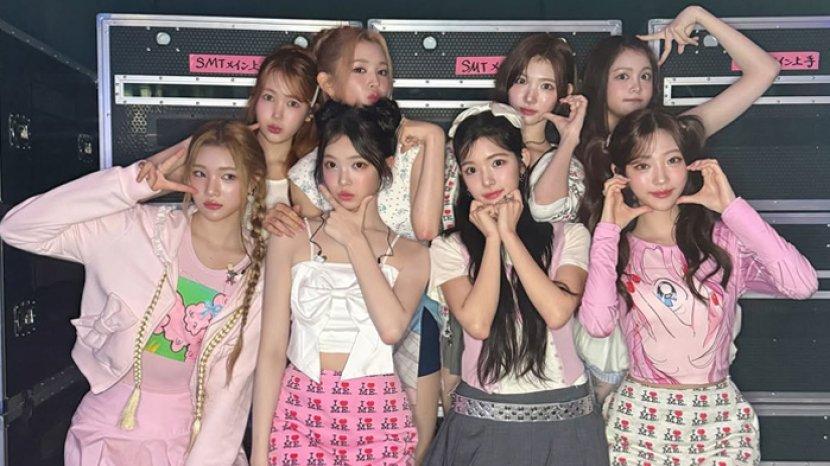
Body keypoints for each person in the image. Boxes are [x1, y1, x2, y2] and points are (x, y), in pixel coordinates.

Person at [0, 120, 269, 465]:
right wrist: (132, 184)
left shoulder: (258, 273)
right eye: (200, 173)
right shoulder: (140, 230)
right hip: (108, 429)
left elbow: (233, 390)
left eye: (228, 176)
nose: (211, 189)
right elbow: (18, 228)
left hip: (190, 437)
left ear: (253, 181)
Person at [578, 108, 817, 465]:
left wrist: (732, 208)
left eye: (672, 160)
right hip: (640, 424)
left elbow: (802, 284)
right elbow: (597, 324)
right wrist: (608, 231)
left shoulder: (722, 241)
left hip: (720, 423)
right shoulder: (616, 249)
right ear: (620, 174)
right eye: (643, 165)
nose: (661, 177)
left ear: (689, 164)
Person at [424, 103, 608, 465]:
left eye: (498, 162)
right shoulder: (450, 248)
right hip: (483, 423)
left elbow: (556, 312)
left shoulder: (568, 235)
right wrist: (493, 240)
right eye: (471, 170)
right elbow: (478, 323)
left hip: (566, 423)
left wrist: (509, 235)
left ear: (522, 160)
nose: (487, 181)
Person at [251, 100, 429, 466]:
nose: (343, 180)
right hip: (299, 411)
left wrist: (354, 240)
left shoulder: (413, 255)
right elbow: (271, 350)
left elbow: (392, 329)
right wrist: (258, 453)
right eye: (331, 165)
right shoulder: (291, 237)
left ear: (386, 166)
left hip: (377, 418)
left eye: (358, 165)